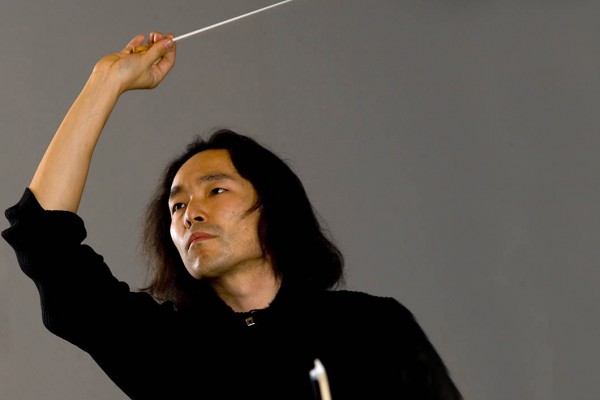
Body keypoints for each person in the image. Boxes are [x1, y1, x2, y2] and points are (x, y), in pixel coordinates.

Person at [2, 32, 463, 400]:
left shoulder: (372, 328)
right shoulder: (164, 348)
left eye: (215, 190)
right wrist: (107, 81)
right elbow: (44, 238)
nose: (190, 213)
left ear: (274, 206)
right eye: (177, 205)